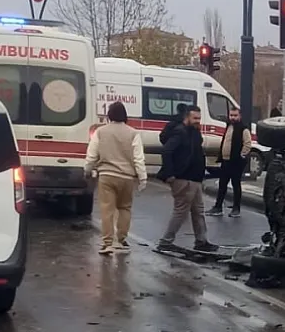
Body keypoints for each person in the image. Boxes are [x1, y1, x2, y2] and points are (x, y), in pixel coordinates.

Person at [84, 101, 147, 254]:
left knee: (107, 210)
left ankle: (107, 243)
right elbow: (139, 158)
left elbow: (92, 154)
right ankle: (121, 239)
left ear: (109, 115)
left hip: (107, 176)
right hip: (126, 177)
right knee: (125, 208)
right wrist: (142, 177)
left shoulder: (101, 132)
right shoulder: (133, 133)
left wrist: (87, 170)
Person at [156, 106, 216, 252]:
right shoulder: (180, 132)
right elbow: (167, 151)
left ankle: (201, 241)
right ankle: (166, 241)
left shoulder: (193, 132)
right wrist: (170, 173)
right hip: (184, 179)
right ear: (187, 117)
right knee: (181, 211)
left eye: (199, 119)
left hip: (194, 179)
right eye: (195, 118)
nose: (198, 121)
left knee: (198, 210)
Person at [209, 106, 252, 218]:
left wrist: (241, 156)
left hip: (236, 162)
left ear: (239, 116)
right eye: (231, 115)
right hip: (225, 161)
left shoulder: (243, 129)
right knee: (222, 184)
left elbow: (247, 144)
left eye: (235, 115)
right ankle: (218, 207)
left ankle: (236, 208)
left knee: (235, 185)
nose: (232, 117)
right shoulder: (228, 126)